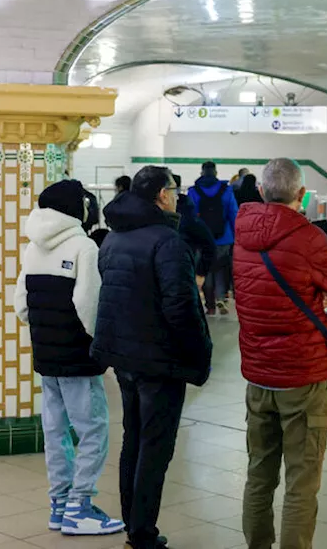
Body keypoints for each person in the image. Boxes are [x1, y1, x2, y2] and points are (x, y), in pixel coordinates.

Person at [230, 158, 327, 549]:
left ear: (262, 191)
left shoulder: (241, 233)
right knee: (302, 480)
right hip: (302, 374)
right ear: (302, 195)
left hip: (258, 373)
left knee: (259, 473)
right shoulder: (310, 238)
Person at [92, 166, 212, 549]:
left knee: (135, 438)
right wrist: (198, 353)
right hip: (159, 362)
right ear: (162, 194)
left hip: (125, 358)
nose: (178, 196)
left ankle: (133, 523)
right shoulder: (166, 242)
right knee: (155, 446)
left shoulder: (114, 238)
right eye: (175, 190)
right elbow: (181, 306)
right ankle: (142, 533)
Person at [13, 180, 124, 536]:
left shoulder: (32, 248)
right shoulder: (84, 247)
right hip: (78, 356)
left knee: (56, 431)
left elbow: (21, 306)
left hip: (46, 355)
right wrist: (103, 346)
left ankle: (59, 505)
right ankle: (80, 506)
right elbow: (88, 306)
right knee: (93, 430)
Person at [188, 161, 239, 315]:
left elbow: (190, 217)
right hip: (224, 237)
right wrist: (237, 236)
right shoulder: (227, 190)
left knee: (205, 269)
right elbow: (234, 214)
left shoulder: (193, 191)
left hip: (201, 238)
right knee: (221, 268)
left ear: (202, 172)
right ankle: (221, 298)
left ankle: (209, 305)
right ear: (215, 172)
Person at [172, 173, 216, 295]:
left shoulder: (187, 215)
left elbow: (209, 246)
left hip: (182, 276)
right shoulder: (188, 211)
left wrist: (201, 272)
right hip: (223, 236)